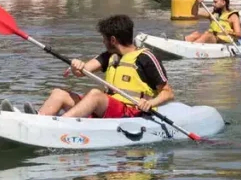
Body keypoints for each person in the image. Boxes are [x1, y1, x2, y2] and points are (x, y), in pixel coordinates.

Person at [27, 15, 174, 119]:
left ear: (113, 40)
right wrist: (76, 66)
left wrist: (149, 103)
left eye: (104, 38)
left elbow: (168, 93)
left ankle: (59, 125)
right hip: (107, 107)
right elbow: (81, 71)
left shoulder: (146, 58)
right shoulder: (109, 56)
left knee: (95, 94)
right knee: (59, 93)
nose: (103, 42)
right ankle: (39, 119)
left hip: (132, 111)